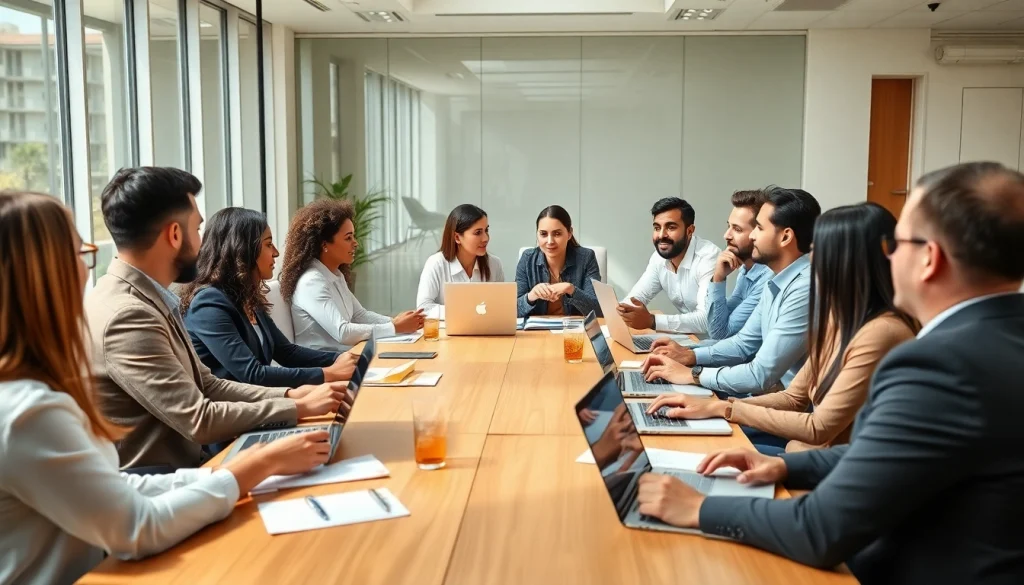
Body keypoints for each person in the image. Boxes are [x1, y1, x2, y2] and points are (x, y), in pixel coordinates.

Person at [634, 162, 1024, 585]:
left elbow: (820, 529)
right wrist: (788, 467)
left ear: (929, 258)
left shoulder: (938, 363)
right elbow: (886, 453)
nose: (889, 257)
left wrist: (698, 507)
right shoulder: (995, 341)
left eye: (898, 243)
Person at [0, 191, 332, 585]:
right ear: (44, 274)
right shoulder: (29, 411)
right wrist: (255, 467)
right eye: (80, 253)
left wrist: (238, 467)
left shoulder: (32, 390)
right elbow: (137, 526)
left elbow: (117, 485)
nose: (87, 269)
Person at [85, 167, 346, 471]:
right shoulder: (128, 315)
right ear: (174, 234)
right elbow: (199, 419)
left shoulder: (148, 298)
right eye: (198, 229)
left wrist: (291, 395)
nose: (202, 244)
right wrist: (296, 406)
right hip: (171, 480)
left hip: (194, 467)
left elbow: (208, 385)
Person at [645, 203, 917, 454]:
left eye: (820, 251)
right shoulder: (840, 318)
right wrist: (716, 406)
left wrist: (723, 408)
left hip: (825, 459)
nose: (812, 261)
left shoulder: (880, 331)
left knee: (693, 450)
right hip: (804, 446)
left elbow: (818, 427)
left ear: (850, 261)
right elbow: (793, 397)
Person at [642, 188, 821, 397]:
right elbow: (742, 344)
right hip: (775, 397)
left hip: (790, 405)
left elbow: (759, 375)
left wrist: (692, 374)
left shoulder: (804, 288)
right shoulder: (776, 280)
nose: (752, 235)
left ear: (785, 237)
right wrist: (690, 356)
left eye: (759, 228)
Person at [180, 208, 359, 388]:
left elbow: (287, 353)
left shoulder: (246, 296)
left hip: (259, 398)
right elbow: (252, 374)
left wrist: (343, 359)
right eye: (268, 244)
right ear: (243, 250)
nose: (276, 252)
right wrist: (329, 374)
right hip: (234, 403)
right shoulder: (208, 304)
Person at [283, 198, 424, 350]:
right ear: (324, 245)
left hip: (345, 355)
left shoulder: (335, 275)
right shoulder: (312, 282)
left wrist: (396, 321)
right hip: (326, 361)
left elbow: (359, 315)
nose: (355, 243)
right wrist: (394, 327)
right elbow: (343, 332)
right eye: (348, 238)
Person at [617, 197, 720, 335]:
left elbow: (707, 320)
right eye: (657, 228)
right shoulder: (658, 258)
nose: (661, 235)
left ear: (690, 231)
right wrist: (624, 310)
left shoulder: (708, 257)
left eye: (671, 227)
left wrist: (652, 321)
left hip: (716, 342)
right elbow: (636, 298)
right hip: (686, 338)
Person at [705, 189, 774, 340]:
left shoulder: (768, 279)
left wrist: (718, 279)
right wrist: (718, 277)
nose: (726, 235)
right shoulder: (746, 270)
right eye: (728, 226)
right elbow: (717, 328)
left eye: (737, 229)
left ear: (758, 233)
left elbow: (721, 332)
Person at [416, 204, 505, 314]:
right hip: (448, 326)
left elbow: (500, 306)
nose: (486, 238)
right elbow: (424, 308)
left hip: (486, 325)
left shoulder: (494, 264)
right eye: (478, 232)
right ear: (457, 237)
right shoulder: (436, 263)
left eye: (486, 230)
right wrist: (463, 311)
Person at [516, 205, 602, 318]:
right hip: (537, 329)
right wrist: (531, 296)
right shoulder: (527, 259)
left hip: (574, 328)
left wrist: (571, 289)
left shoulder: (586, 258)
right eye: (543, 234)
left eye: (557, 234)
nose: (550, 241)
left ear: (569, 233)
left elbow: (598, 311)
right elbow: (512, 311)